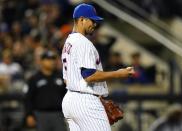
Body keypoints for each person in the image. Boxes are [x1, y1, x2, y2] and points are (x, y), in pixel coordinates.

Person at [61, 3, 135, 131]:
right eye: (92, 20)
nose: (95, 24)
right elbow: (89, 75)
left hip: (70, 100)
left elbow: (67, 79)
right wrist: (119, 73)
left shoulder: (69, 42)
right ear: (82, 19)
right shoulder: (83, 43)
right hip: (85, 101)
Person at [25, 50, 67, 131]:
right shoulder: (34, 78)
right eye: (48, 59)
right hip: (40, 115)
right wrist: (29, 114)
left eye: (53, 59)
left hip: (59, 114)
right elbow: (28, 98)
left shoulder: (62, 77)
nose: (52, 61)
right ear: (41, 61)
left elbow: (67, 96)